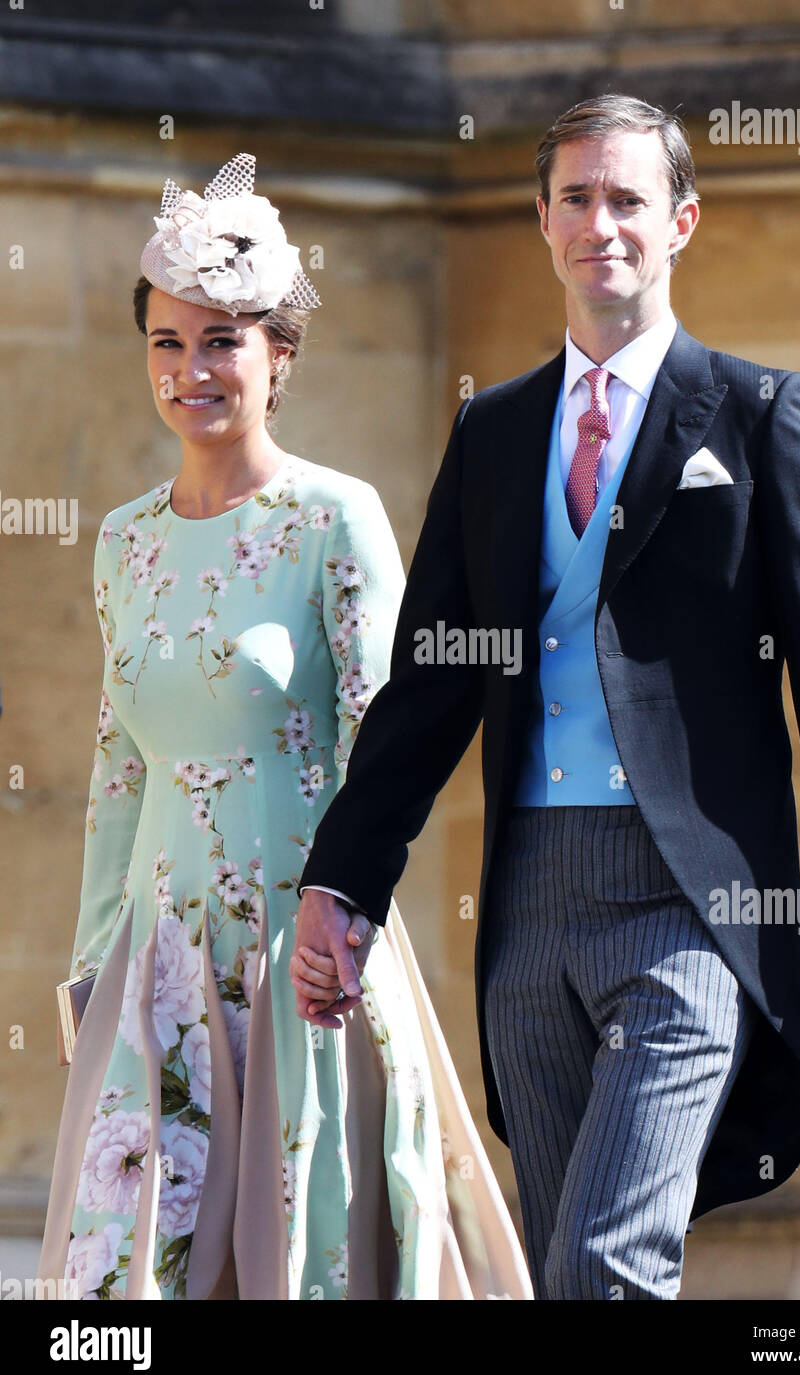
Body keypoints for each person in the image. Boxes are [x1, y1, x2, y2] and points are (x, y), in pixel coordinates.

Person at [291, 96, 800, 1300]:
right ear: (540, 220)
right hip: (529, 908)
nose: (600, 224)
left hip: (693, 902)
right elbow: (431, 684)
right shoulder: (495, 429)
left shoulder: (760, 414)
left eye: (627, 199)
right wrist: (343, 882)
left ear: (680, 221)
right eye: (575, 197)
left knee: (606, 1264)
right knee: (560, 1277)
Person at [37, 152, 533, 1301]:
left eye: (222, 340)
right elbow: (118, 767)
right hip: (155, 971)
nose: (191, 369)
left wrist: (345, 923)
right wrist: (89, 967)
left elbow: (388, 747)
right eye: (167, 341)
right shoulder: (124, 540)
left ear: (279, 356)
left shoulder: (333, 516)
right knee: (133, 1282)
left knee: (304, 1263)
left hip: (304, 956)